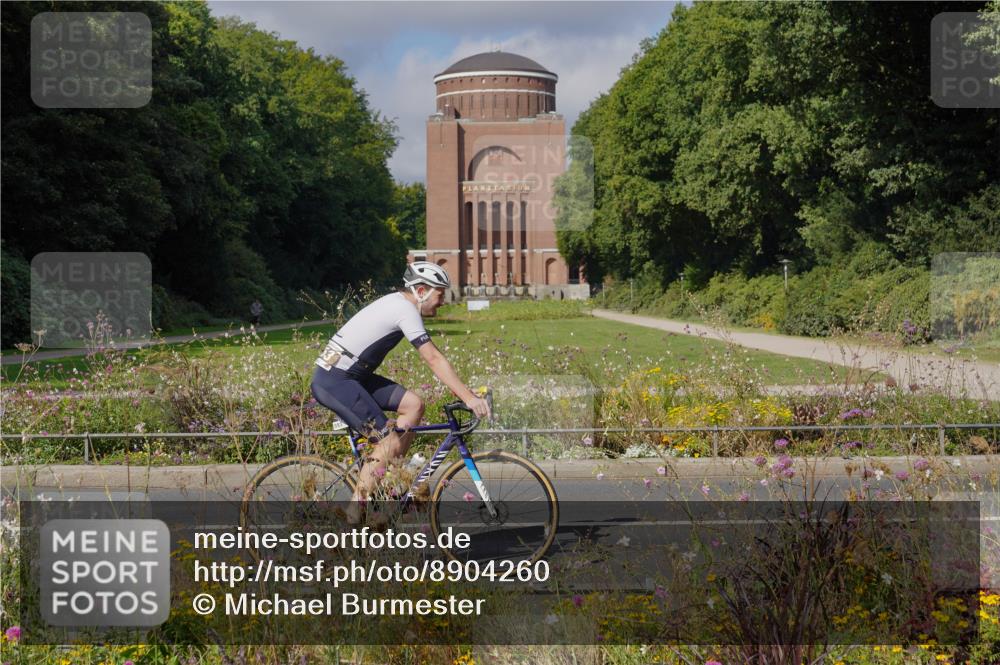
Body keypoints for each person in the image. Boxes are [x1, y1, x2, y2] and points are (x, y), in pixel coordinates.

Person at [310, 261, 491, 523]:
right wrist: (469, 398)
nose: (442, 301)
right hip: (335, 380)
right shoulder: (404, 309)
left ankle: (393, 482)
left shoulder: (399, 304)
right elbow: (433, 358)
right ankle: (354, 513)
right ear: (421, 290)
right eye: (440, 294)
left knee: (414, 405)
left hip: (352, 376)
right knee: (388, 442)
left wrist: (465, 391)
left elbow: (434, 358)